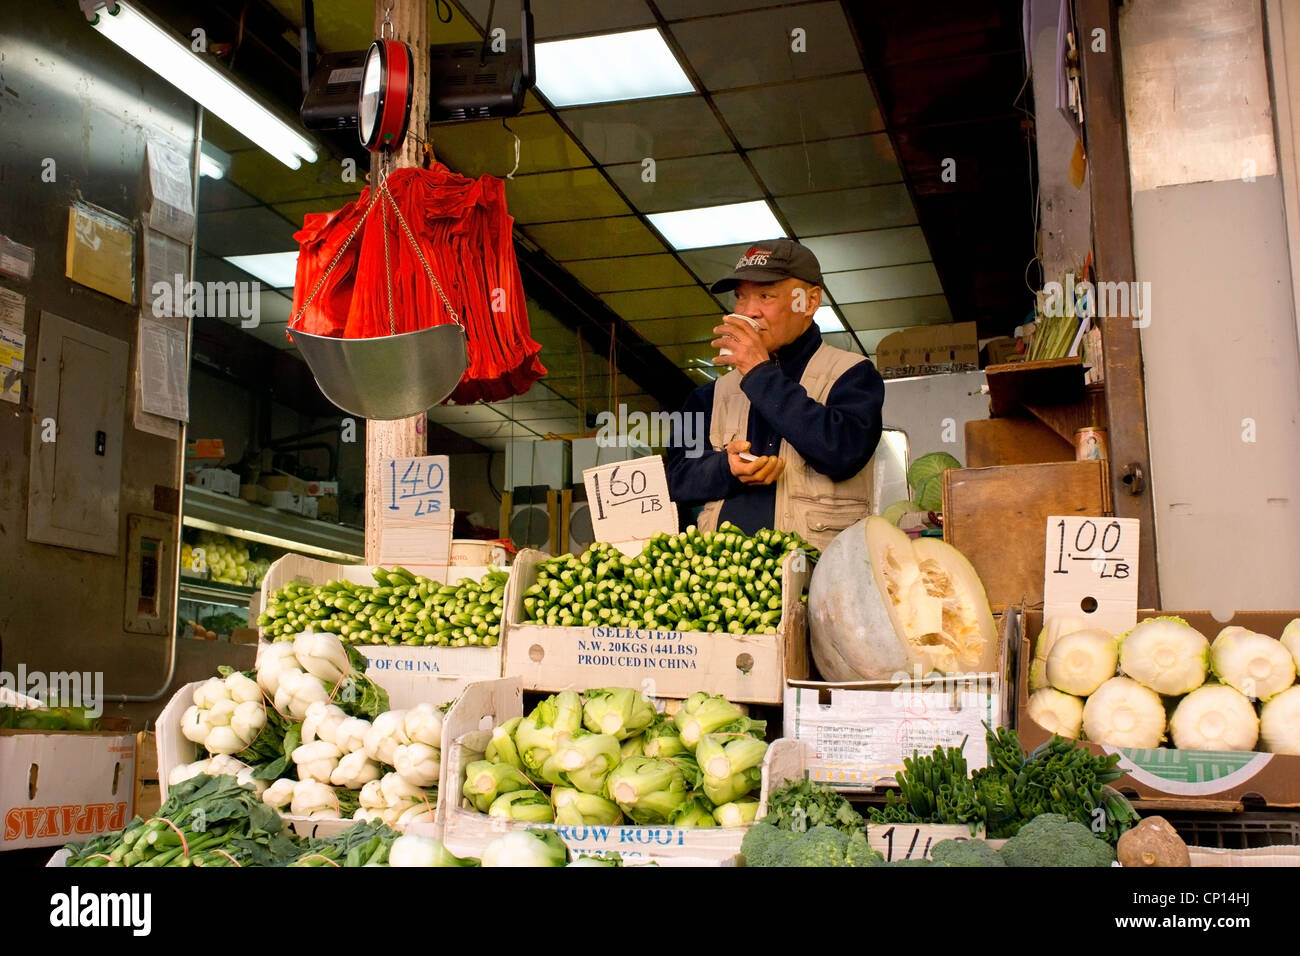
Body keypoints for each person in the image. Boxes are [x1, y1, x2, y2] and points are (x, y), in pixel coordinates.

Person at [665, 238, 886, 551]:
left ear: (808, 302)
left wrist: (759, 374)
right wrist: (725, 468)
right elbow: (676, 479)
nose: (748, 312)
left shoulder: (854, 374)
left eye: (765, 295)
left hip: (822, 582)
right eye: (740, 297)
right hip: (726, 585)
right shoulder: (705, 397)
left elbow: (842, 453)